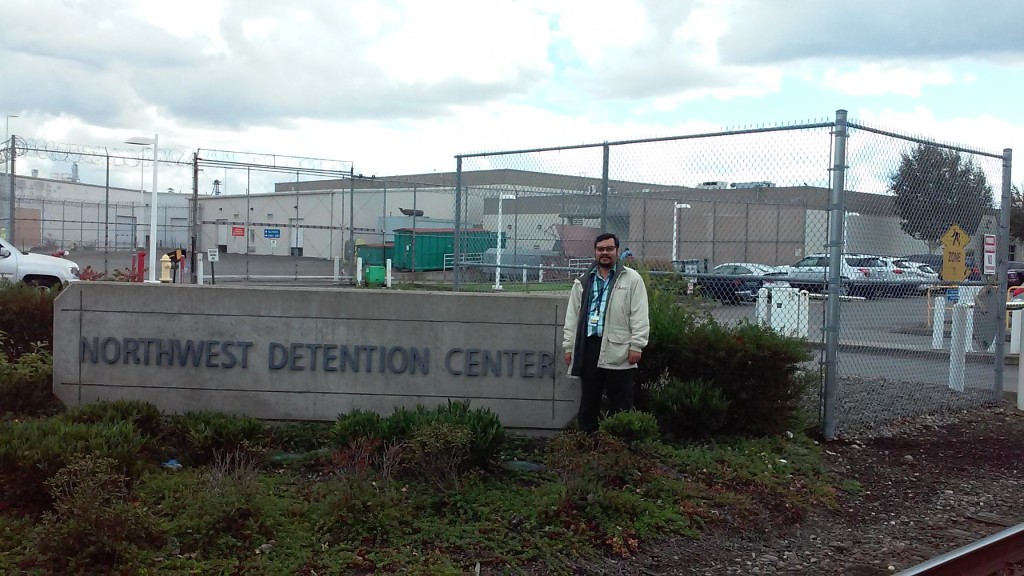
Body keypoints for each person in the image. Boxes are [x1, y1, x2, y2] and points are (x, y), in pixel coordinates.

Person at [562, 233, 650, 433]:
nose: (604, 253)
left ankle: (622, 445)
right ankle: (587, 441)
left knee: (621, 401)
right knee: (589, 400)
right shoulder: (583, 282)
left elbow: (639, 314)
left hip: (619, 348)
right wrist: (569, 347)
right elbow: (572, 318)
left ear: (617, 251)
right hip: (589, 347)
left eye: (609, 249)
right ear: (595, 252)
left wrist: (637, 345)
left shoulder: (632, 279)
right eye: (600, 249)